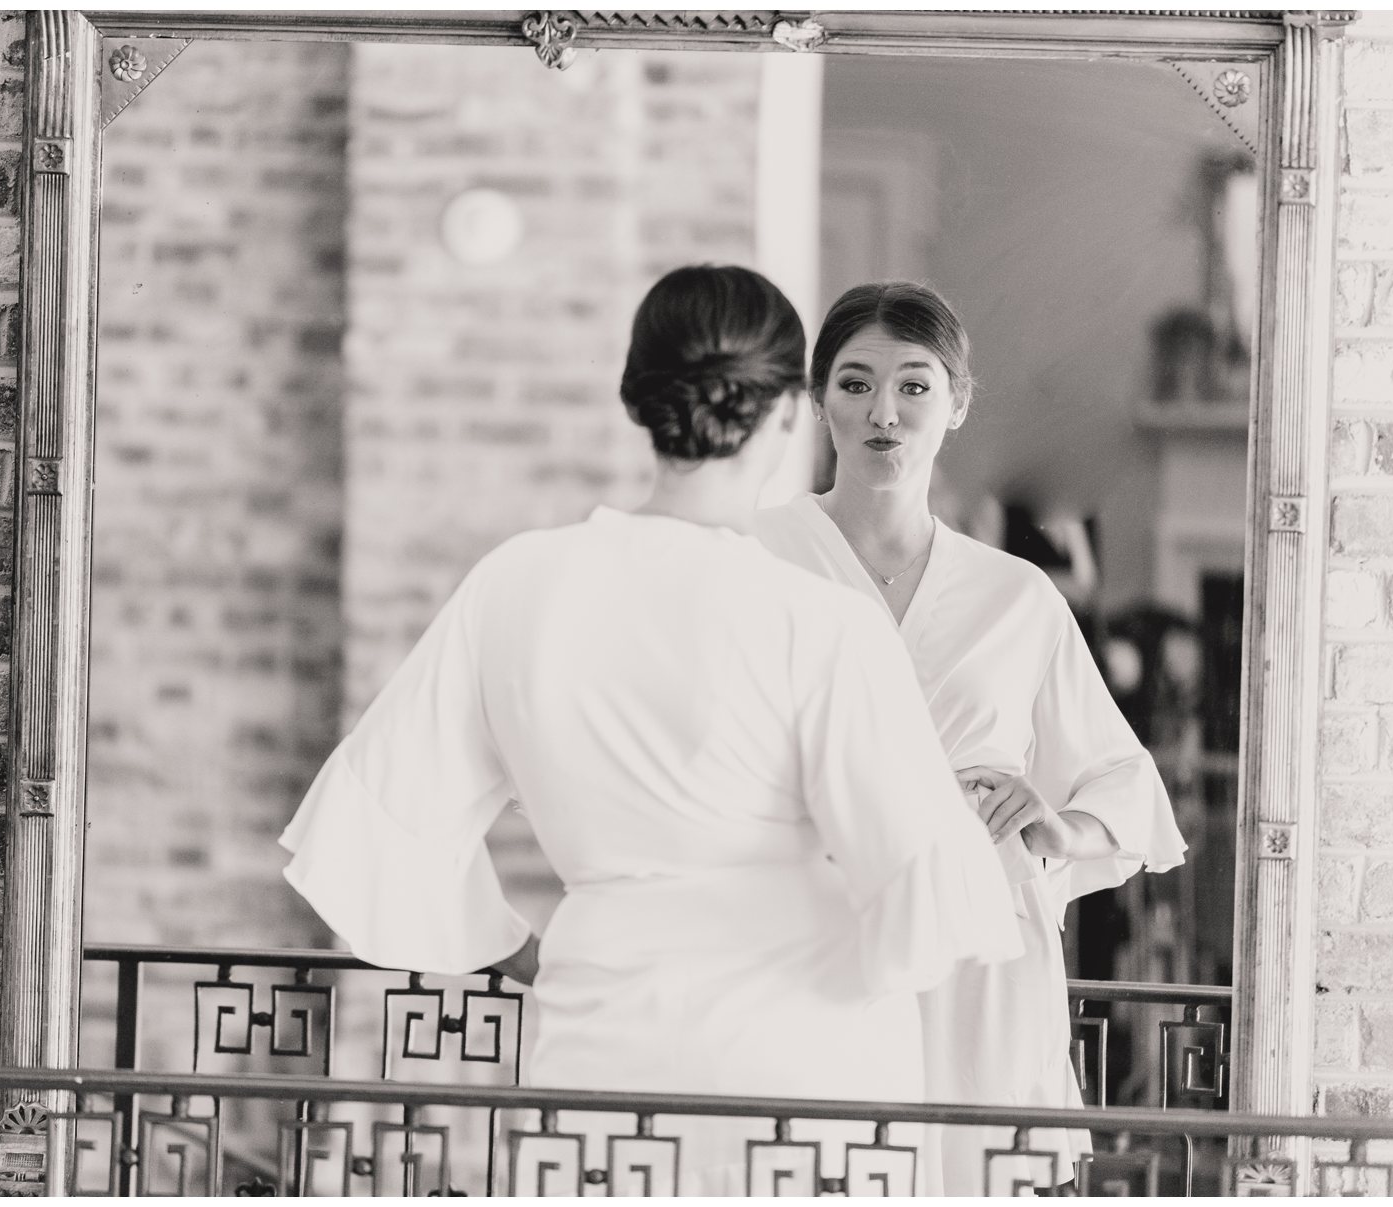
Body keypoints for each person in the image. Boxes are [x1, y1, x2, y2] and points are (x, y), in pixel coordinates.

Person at [280, 266, 1021, 1194]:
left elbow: (377, 823)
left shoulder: (517, 583)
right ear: (791, 412)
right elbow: (925, 890)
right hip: (802, 1073)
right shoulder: (819, 618)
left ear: (638, 397)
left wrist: (518, 946)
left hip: (601, 1046)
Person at [754, 281, 1188, 1195]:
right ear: (816, 397)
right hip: (812, 912)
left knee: (974, 1165)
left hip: (979, 929)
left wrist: (1057, 825)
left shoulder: (1015, 594)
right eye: (855, 382)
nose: (883, 412)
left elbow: (1122, 777)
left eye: (914, 385)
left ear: (956, 403)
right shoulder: (757, 560)